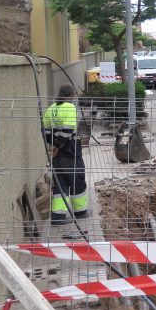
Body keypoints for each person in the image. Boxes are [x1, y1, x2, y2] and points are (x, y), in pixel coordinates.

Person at [42, 84, 88, 225]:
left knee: (60, 183)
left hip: (56, 154)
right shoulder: (70, 108)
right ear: (71, 96)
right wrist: (59, 145)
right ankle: (80, 212)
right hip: (70, 151)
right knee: (76, 179)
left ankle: (58, 217)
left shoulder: (51, 108)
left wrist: (53, 145)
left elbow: (45, 130)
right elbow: (68, 131)